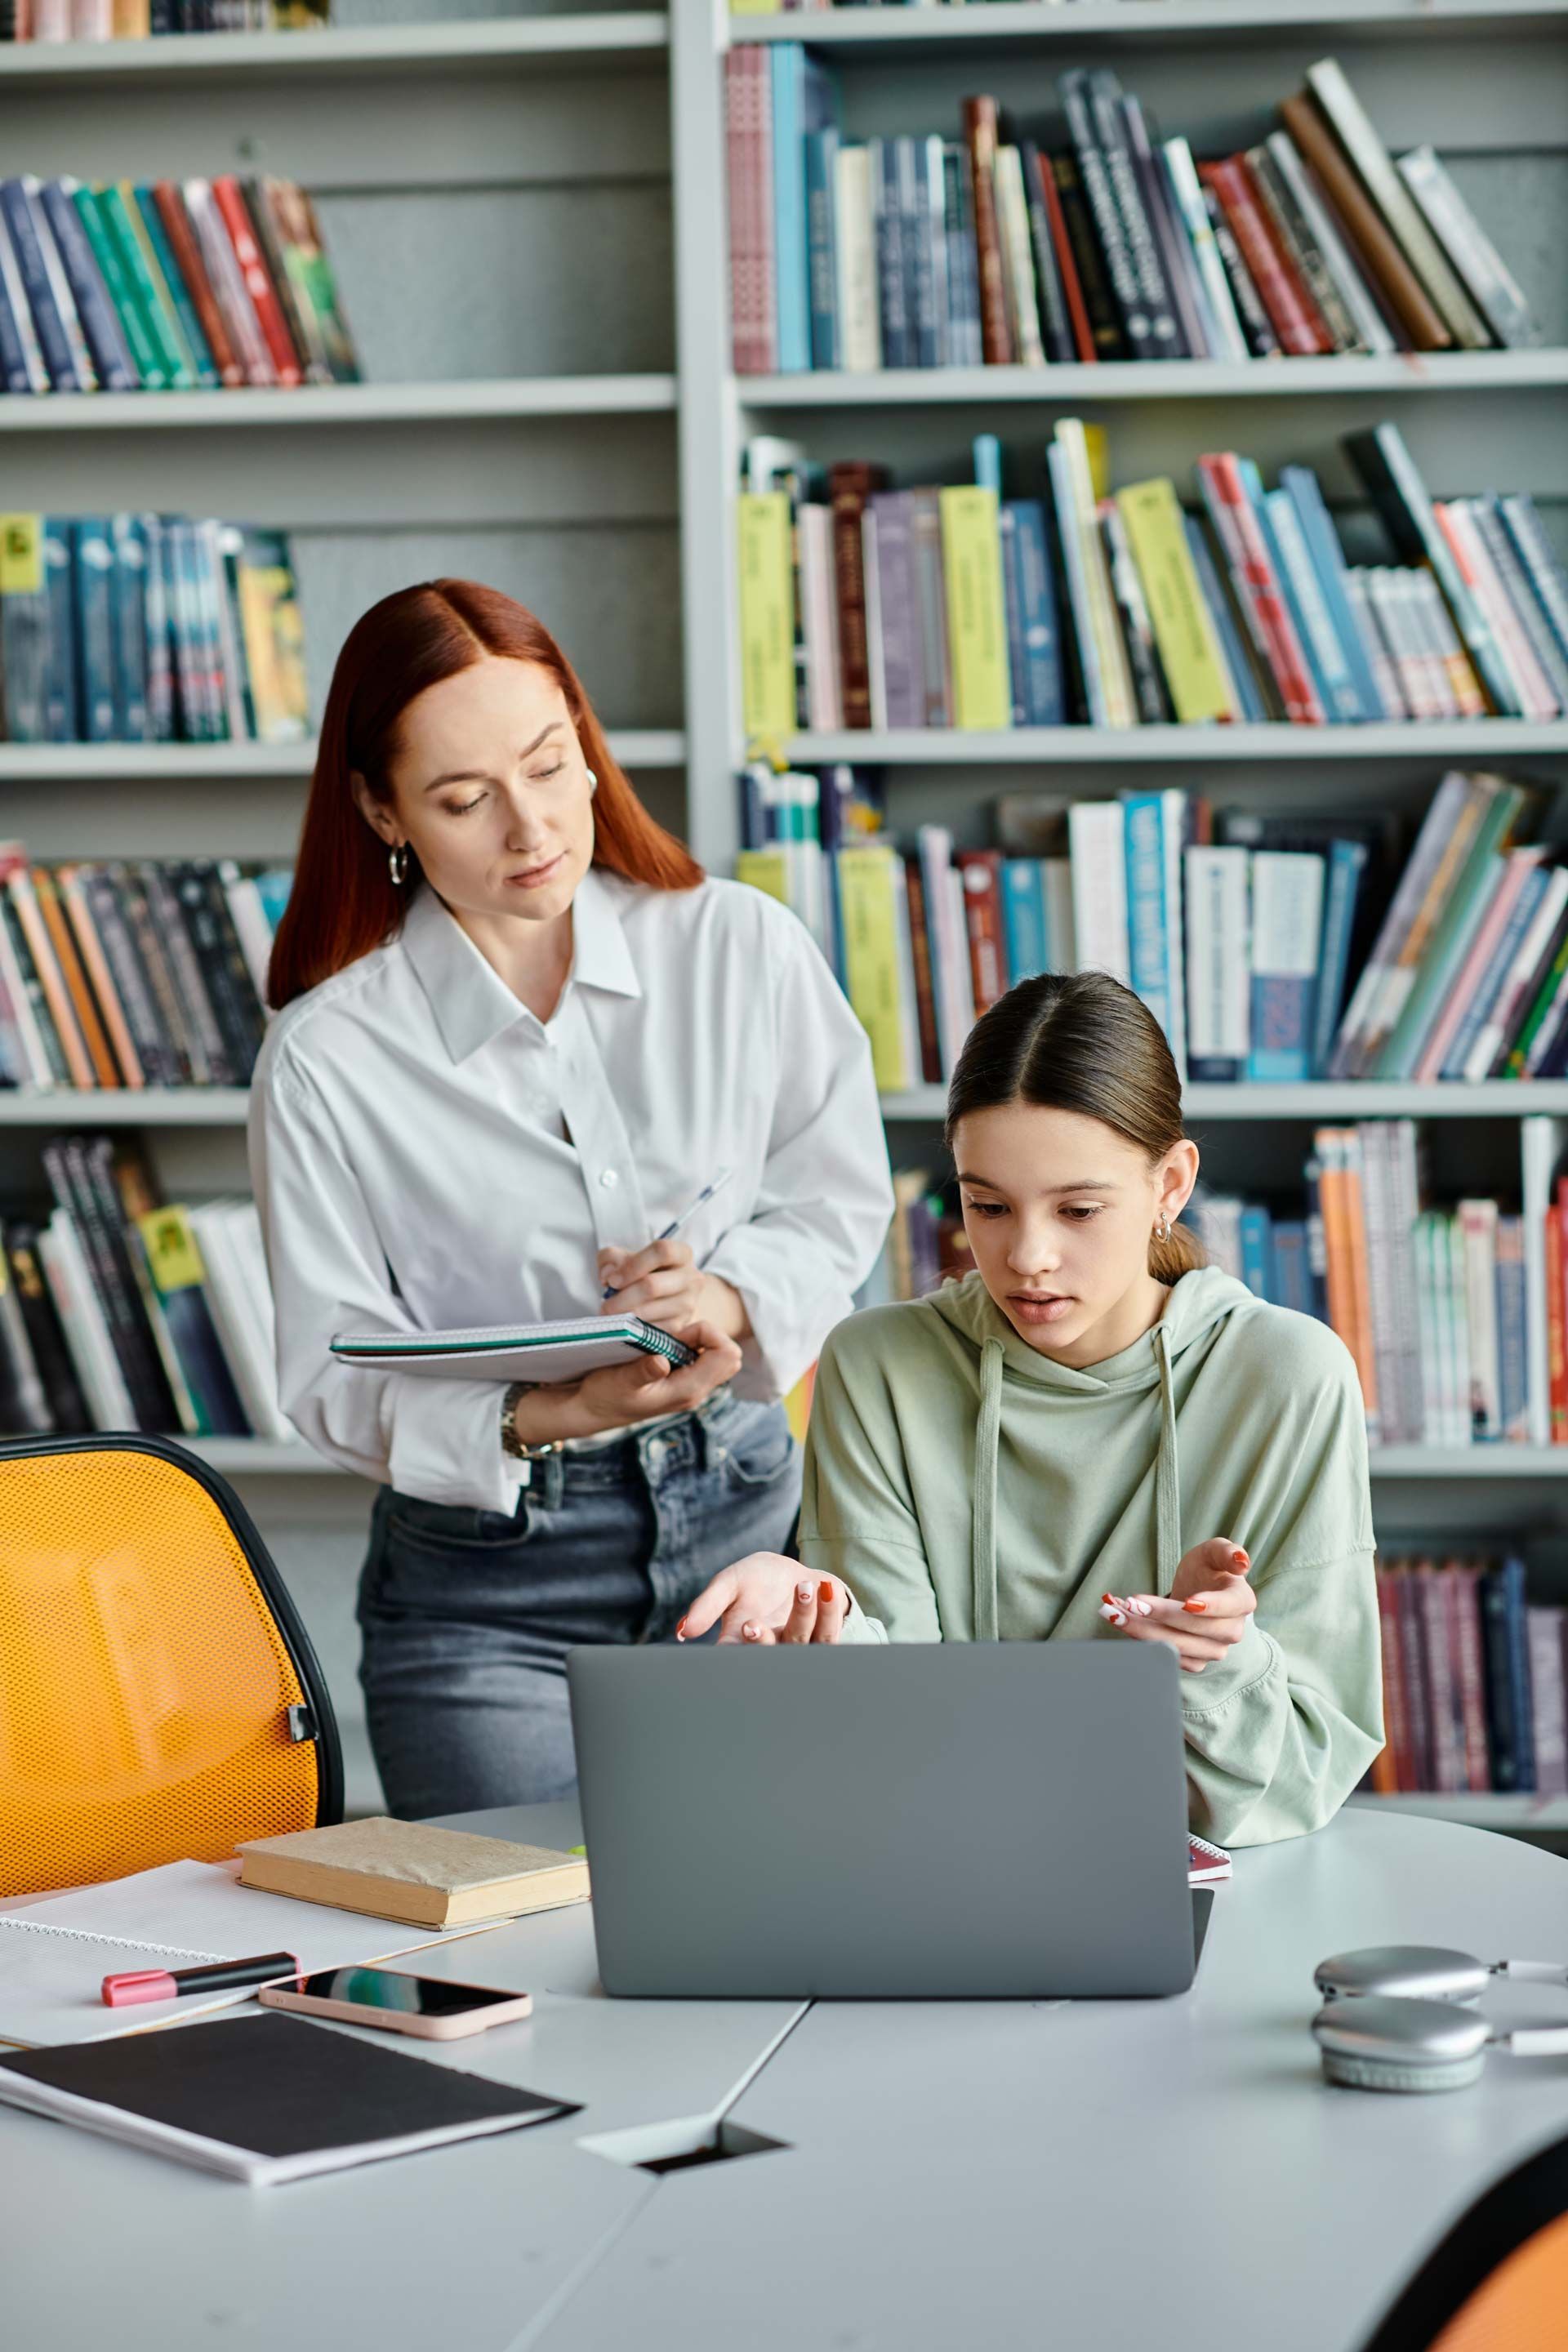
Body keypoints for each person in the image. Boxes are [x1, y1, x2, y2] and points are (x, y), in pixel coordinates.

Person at [250, 579, 892, 1818]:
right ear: (382, 811)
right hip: (488, 1593)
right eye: (463, 799)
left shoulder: (739, 946)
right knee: (526, 1926)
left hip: (753, 1533)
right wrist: (549, 1412)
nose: (531, 825)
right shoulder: (327, 1058)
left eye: (549, 764)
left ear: (588, 748)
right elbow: (329, 1374)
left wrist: (728, 1299)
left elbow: (836, 1199)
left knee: (784, 1901)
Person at [680, 969, 1383, 1848]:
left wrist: (1214, 1661)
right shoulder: (878, 1365)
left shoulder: (1287, 1377)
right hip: (941, 1868)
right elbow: (897, 1743)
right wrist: (823, 1623)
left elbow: (1308, 1777)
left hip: (1215, 1890)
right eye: (988, 1206)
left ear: (1171, 1185)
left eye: (1078, 1209)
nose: (1027, 1257)